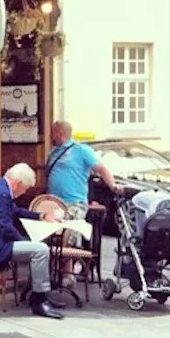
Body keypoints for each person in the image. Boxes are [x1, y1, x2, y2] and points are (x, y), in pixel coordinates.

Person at [0, 163, 66, 319]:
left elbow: (15, 211)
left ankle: (39, 294)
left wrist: (41, 216)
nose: (24, 192)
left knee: (37, 248)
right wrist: (26, 242)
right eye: (25, 188)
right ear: (18, 183)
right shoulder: (2, 194)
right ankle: (39, 301)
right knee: (40, 250)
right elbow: (6, 227)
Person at [47, 121, 123, 285]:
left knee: (68, 237)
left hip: (74, 202)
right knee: (55, 237)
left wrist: (113, 185)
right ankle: (59, 272)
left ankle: (68, 274)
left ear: (60, 133)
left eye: (53, 133)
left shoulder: (81, 150)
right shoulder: (54, 152)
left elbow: (101, 169)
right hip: (54, 203)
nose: (51, 136)